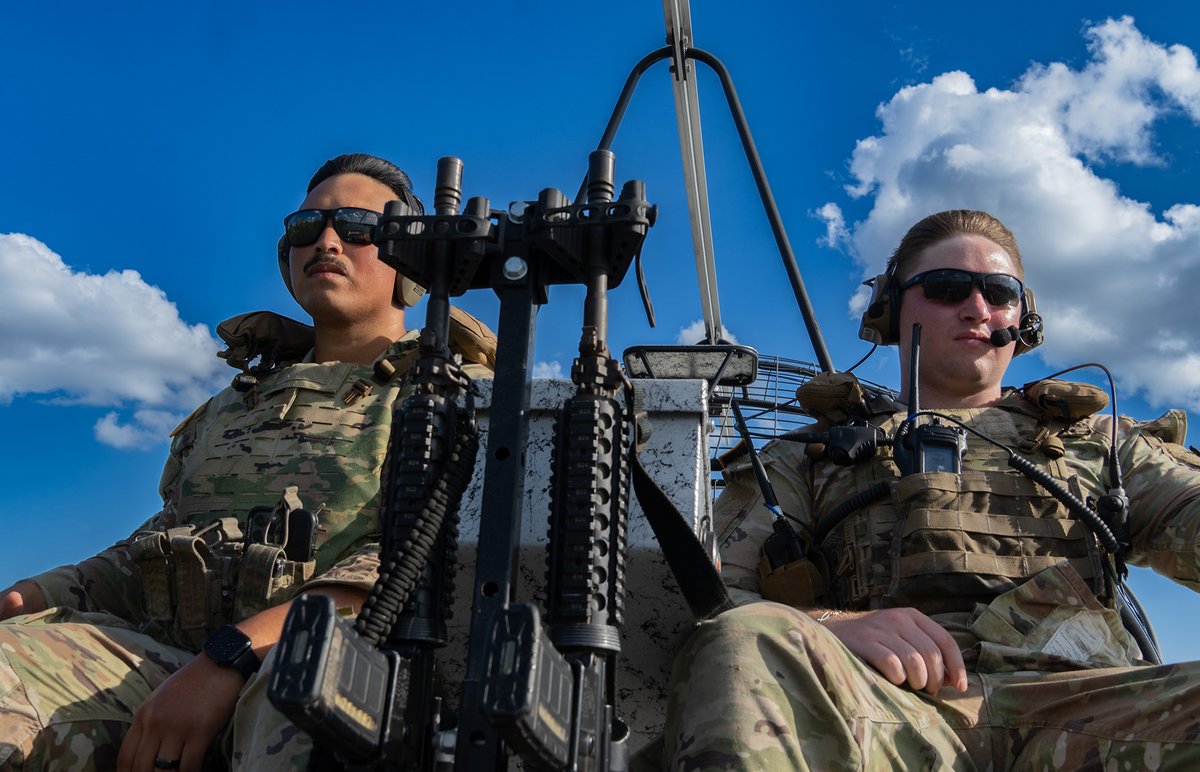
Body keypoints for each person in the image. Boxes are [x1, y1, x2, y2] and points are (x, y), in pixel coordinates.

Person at [0, 153, 496, 771]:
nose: (328, 241)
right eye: (306, 227)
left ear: (412, 264)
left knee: (299, 686)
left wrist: (232, 656)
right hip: (177, 662)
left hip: (340, 669)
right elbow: (163, 545)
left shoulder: (457, 397)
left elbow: (421, 562)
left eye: (358, 226)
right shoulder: (231, 408)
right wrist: (35, 593)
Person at [660, 210, 1200, 770]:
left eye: (1000, 291)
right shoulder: (807, 456)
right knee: (743, 641)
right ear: (892, 309)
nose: (977, 308)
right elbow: (713, 599)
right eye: (946, 288)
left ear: (1024, 316)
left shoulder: (1105, 444)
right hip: (880, 709)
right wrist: (833, 626)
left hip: (1091, 710)